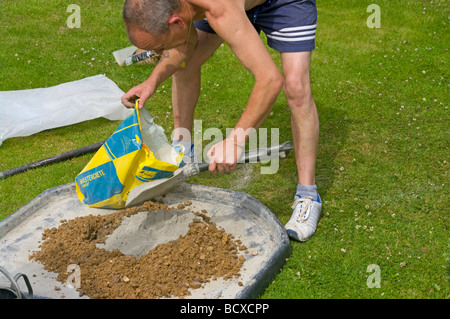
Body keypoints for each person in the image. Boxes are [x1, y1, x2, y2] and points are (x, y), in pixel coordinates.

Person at [121, 0, 322, 242]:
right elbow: (184, 48)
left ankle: (308, 196)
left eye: (159, 47)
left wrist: (235, 141)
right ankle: (183, 150)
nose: (157, 54)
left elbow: (269, 80)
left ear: (176, 21)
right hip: (232, 5)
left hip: (283, 3)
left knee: (296, 88)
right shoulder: (176, 7)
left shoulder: (218, 7)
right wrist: (151, 81)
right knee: (187, 62)